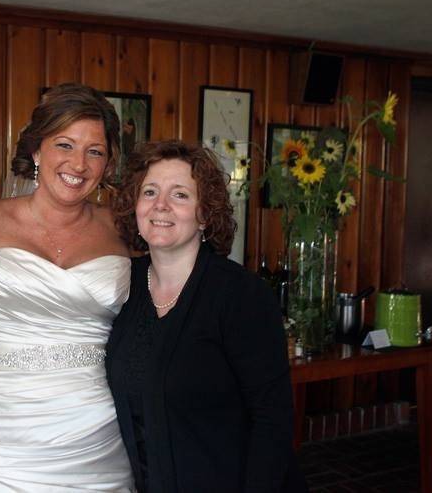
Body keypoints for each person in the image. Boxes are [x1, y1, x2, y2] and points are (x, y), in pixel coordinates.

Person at [0, 83, 135, 492]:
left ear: (107, 164)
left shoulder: (124, 229)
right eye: (64, 145)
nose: (78, 164)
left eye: (95, 151)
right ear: (36, 150)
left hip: (94, 433)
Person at [107, 141, 305, 492]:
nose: (160, 205)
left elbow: (271, 420)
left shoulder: (241, 295)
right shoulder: (123, 285)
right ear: (134, 206)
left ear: (204, 214)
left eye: (180, 195)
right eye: (149, 192)